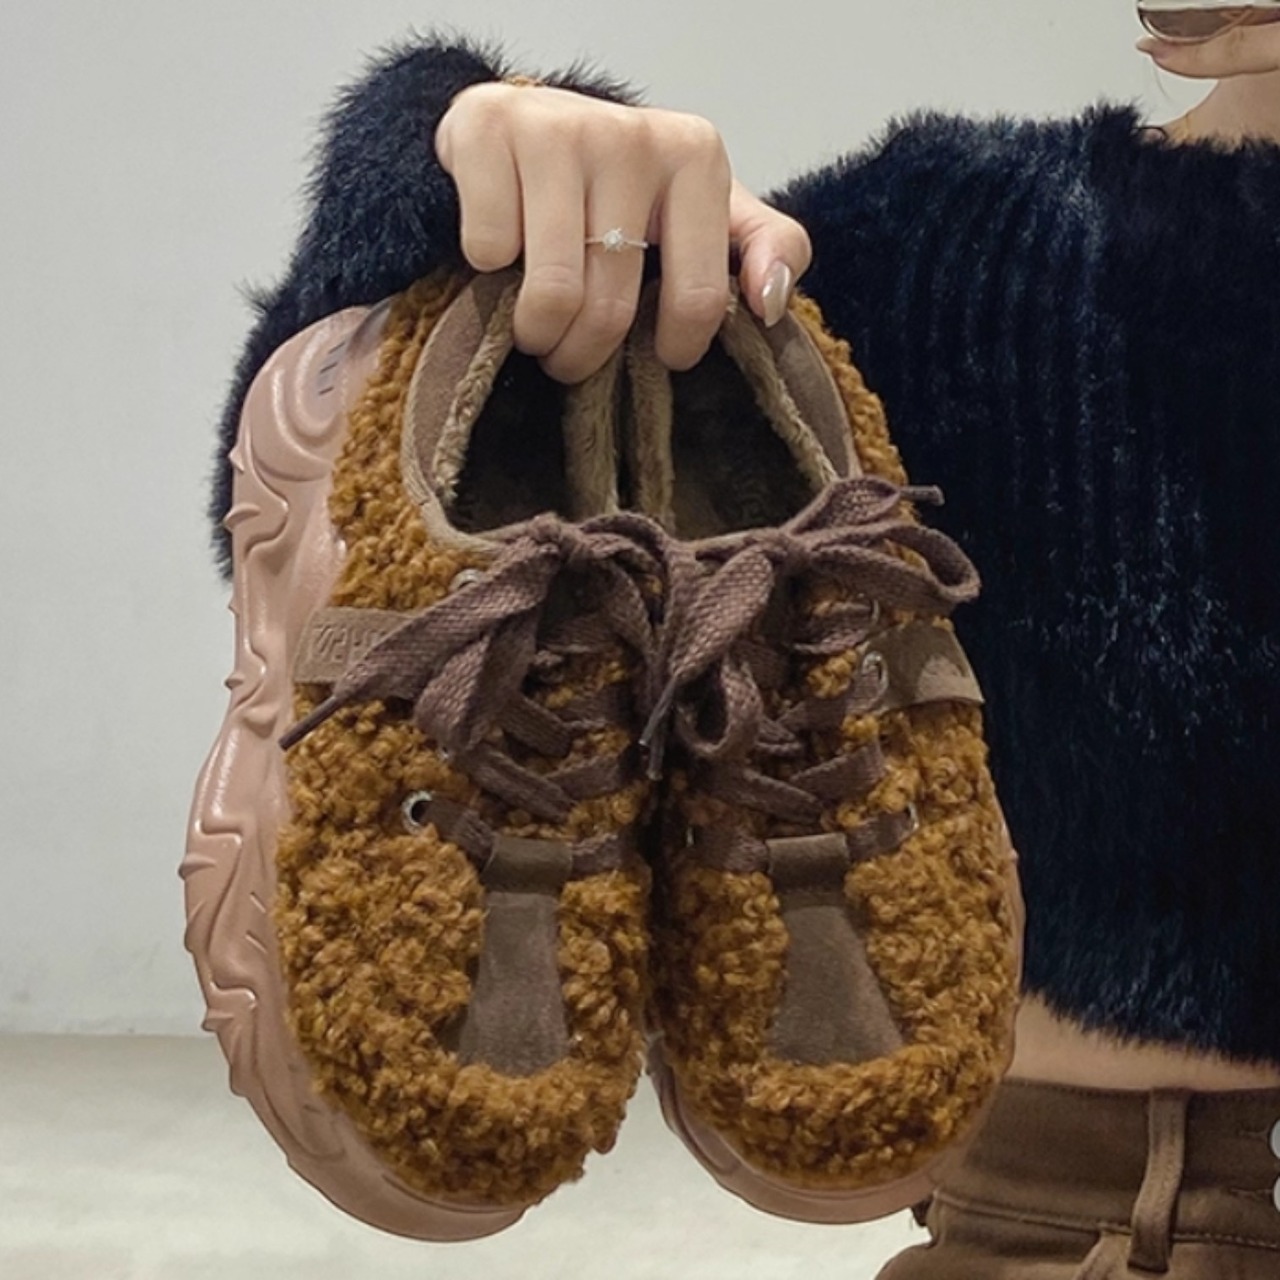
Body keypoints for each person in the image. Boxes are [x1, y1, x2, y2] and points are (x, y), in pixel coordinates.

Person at [207, 7, 1280, 1275]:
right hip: (1086, 1212)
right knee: (574, 322)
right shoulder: (958, 241)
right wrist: (458, 166)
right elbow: (312, 481)